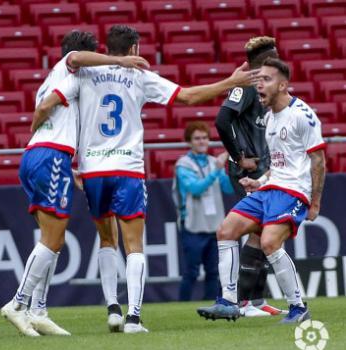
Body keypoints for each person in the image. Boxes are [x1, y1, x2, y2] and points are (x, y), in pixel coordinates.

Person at [33, 24, 258, 333]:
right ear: (134, 49)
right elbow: (189, 97)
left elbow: (50, 103)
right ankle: (133, 318)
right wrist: (231, 82)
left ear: (107, 49)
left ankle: (112, 309)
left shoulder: (83, 74)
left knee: (106, 239)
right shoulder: (139, 76)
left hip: (93, 171)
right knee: (134, 244)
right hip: (127, 168)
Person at [0, 31, 150, 337]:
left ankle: (38, 310)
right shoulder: (70, 67)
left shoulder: (55, 80)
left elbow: (48, 109)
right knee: (53, 239)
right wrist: (120, 60)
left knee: (51, 237)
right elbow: (68, 72)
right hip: (51, 156)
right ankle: (18, 303)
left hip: (42, 156)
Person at [197, 58, 326, 324]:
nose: (259, 85)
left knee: (268, 242)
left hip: (294, 192)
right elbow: (278, 163)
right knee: (226, 230)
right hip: (271, 188)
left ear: (283, 85)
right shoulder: (269, 118)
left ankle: (298, 308)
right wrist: (260, 182)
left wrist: (314, 203)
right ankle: (229, 301)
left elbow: (319, 160)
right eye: (258, 80)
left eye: (265, 80)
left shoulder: (302, 115)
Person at [215, 36, 285, 317]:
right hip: (248, 170)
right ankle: (244, 302)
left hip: (261, 168)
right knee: (257, 233)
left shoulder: (261, 88)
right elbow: (222, 120)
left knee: (263, 232)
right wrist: (238, 155)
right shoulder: (244, 87)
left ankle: (256, 301)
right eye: (276, 57)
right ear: (265, 62)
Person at [173, 122, 233, 301]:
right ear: (189, 142)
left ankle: (211, 305)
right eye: (197, 138)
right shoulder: (183, 164)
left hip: (214, 225)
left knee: (214, 271)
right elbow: (195, 189)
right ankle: (180, 308)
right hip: (192, 224)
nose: (202, 142)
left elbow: (228, 189)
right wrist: (217, 171)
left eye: (205, 138)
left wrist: (234, 171)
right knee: (191, 271)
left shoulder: (214, 162)